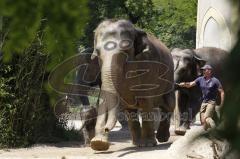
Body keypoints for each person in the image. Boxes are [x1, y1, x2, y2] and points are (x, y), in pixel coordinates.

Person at [178, 64, 225, 130]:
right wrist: (184, 84)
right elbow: (191, 84)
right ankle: (209, 131)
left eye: (205, 70)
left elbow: (222, 92)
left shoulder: (215, 81)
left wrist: (222, 103)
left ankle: (215, 131)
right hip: (204, 102)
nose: (203, 71)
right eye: (203, 70)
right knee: (203, 121)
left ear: (209, 71)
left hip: (211, 102)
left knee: (207, 118)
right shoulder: (200, 79)